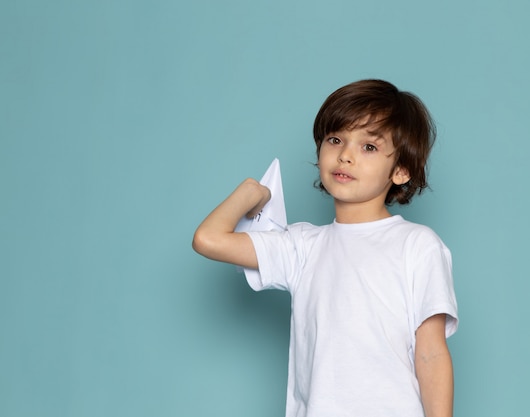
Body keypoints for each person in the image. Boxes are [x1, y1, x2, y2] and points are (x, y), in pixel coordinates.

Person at [192, 79, 458, 417]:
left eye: (369, 147)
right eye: (335, 140)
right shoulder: (302, 247)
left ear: (402, 170)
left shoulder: (418, 245)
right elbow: (208, 239)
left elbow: (431, 353)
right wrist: (250, 192)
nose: (345, 155)